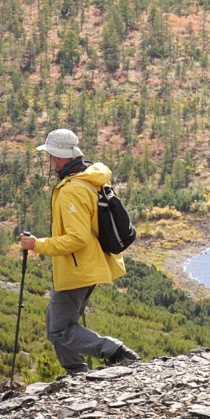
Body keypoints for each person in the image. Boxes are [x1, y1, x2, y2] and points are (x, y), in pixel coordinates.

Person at [19, 128, 140, 374]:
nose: (51, 161)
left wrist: (38, 245)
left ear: (62, 156)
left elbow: (77, 239)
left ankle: (116, 353)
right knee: (55, 320)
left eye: (52, 155)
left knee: (60, 329)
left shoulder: (72, 189)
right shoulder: (91, 179)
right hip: (90, 264)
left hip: (78, 268)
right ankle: (76, 372)